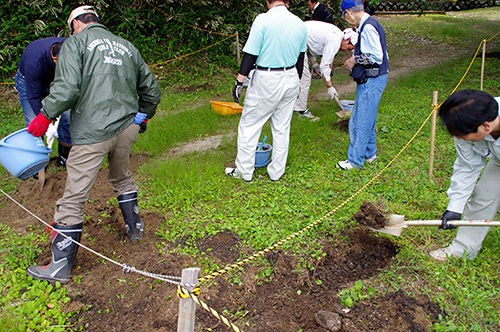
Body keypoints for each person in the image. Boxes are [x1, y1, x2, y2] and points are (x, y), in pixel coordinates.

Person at [25, 5, 162, 284]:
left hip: (92, 132)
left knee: (74, 196)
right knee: (121, 177)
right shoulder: (126, 46)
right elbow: (152, 91)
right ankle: (135, 229)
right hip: (126, 128)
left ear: (75, 24)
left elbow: (67, 89)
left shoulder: (74, 44)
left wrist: (44, 116)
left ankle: (59, 267)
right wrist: (143, 116)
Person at [225, 0, 307, 182]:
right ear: (288, 2)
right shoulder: (300, 23)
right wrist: (297, 82)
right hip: (291, 76)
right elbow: (301, 58)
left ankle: (244, 172)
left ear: (268, 1)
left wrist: (240, 81)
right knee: (282, 127)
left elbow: (251, 54)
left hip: (267, 78)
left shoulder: (262, 20)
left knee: (250, 125)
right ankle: (277, 172)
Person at [429, 90, 500, 261]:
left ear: (485, 127)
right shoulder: (465, 127)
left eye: (462, 135)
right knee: (482, 197)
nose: (459, 138)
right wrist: (455, 206)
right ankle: (463, 249)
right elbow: (468, 166)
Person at [338, 0, 388, 170]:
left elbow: (377, 57)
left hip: (372, 79)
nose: (347, 21)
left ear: (349, 13)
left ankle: (355, 161)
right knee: (369, 118)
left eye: (345, 17)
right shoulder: (370, 24)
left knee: (359, 121)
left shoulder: (368, 27)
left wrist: (354, 59)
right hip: (376, 78)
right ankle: (370, 154)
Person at [15, 37, 72, 167]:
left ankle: (64, 157)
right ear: (55, 58)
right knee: (34, 123)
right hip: (28, 82)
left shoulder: (71, 47)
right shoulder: (34, 63)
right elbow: (34, 97)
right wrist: (45, 120)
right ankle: (37, 165)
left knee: (69, 117)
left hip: (56, 80)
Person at [293, 22, 357, 121]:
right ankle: (301, 111)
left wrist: (314, 64)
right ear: (347, 40)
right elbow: (324, 66)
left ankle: (292, 105)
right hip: (295, 40)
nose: (346, 51)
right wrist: (329, 87)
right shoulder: (335, 40)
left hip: (298, 39)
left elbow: (311, 45)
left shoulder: (336, 34)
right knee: (304, 78)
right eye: (349, 48)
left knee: (298, 76)